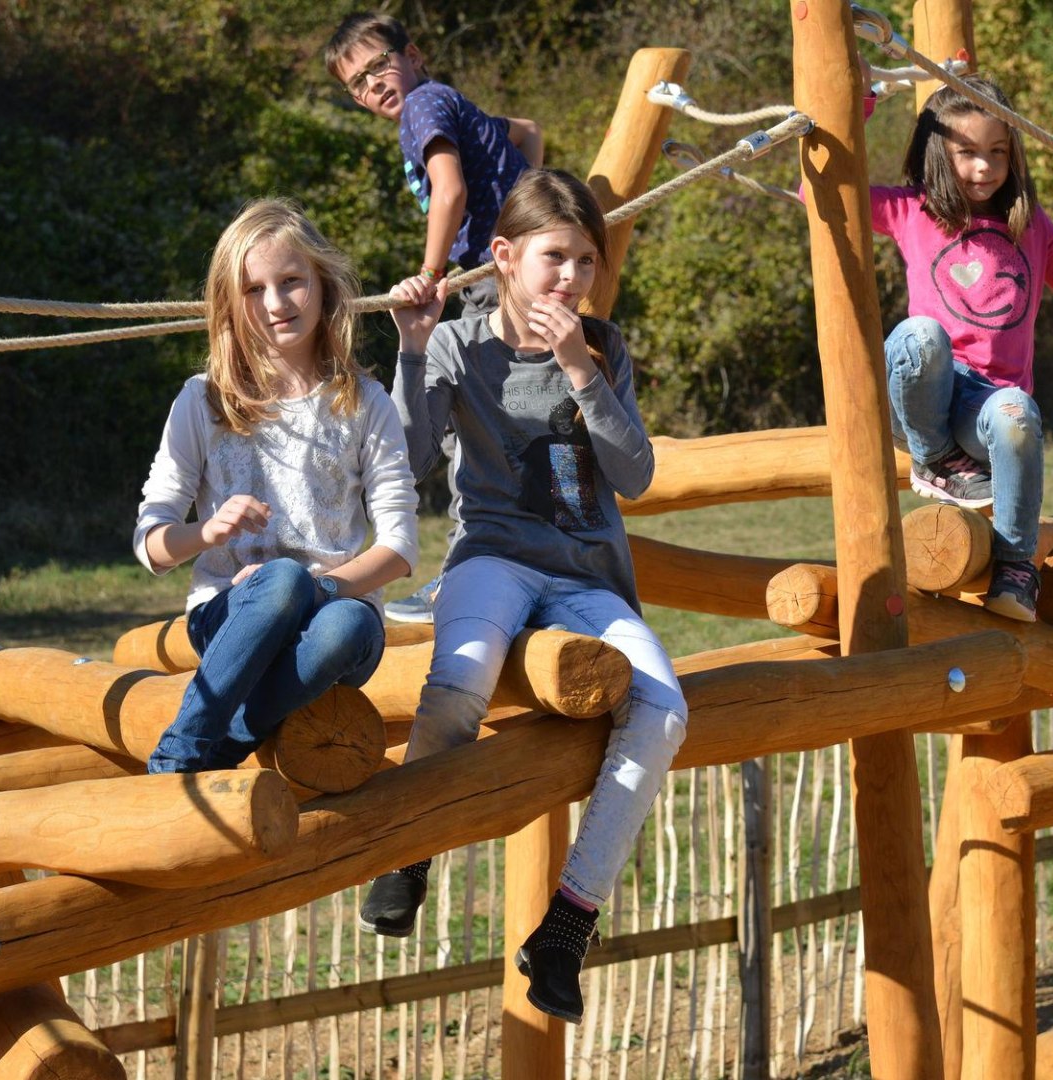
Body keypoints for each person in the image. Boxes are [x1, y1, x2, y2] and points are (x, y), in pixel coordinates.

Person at [366, 169, 687, 1025]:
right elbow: (407, 460)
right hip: (494, 556)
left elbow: (637, 474)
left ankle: (567, 928)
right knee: (461, 680)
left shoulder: (604, 347)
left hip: (588, 576)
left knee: (663, 712)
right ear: (504, 258)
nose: (572, 278)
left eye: (587, 260)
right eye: (555, 258)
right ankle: (407, 851)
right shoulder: (458, 344)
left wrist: (582, 369)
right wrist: (409, 344)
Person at [133, 199, 418, 774]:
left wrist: (316, 589)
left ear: (322, 283)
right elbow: (150, 545)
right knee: (279, 583)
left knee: (348, 618)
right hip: (228, 616)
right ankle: (188, 753)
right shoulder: (203, 400)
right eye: (254, 289)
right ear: (229, 304)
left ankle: (205, 750)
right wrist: (206, 532)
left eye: (291, 282)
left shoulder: (365, 402)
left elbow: (401, 549)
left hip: (332, 622)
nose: (276, 303)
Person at [876, 75, 1053, 621]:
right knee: (921, 335)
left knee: (1018, 409)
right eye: (966, 153)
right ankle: (931, 459)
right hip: (925, 395)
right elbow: (821, 192)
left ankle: (1016, 568)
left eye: (997, 152)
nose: (984, 168)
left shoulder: (1030, 226)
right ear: (937, 154)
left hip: (985, 410)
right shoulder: (912, 209)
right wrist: (860, 101)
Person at [325, 11, 544, 624]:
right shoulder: (447, 103)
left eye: (379, 66)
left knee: (468, 431)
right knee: (493, 431)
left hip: (488, 285)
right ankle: (496, 572)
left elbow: (449, 191)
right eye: (358, 84)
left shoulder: (424, 106)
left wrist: (430, 271)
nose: (374, 86)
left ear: (414, 54)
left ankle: (461, 582)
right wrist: (531, 204)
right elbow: (526, 132)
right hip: (507, 277)